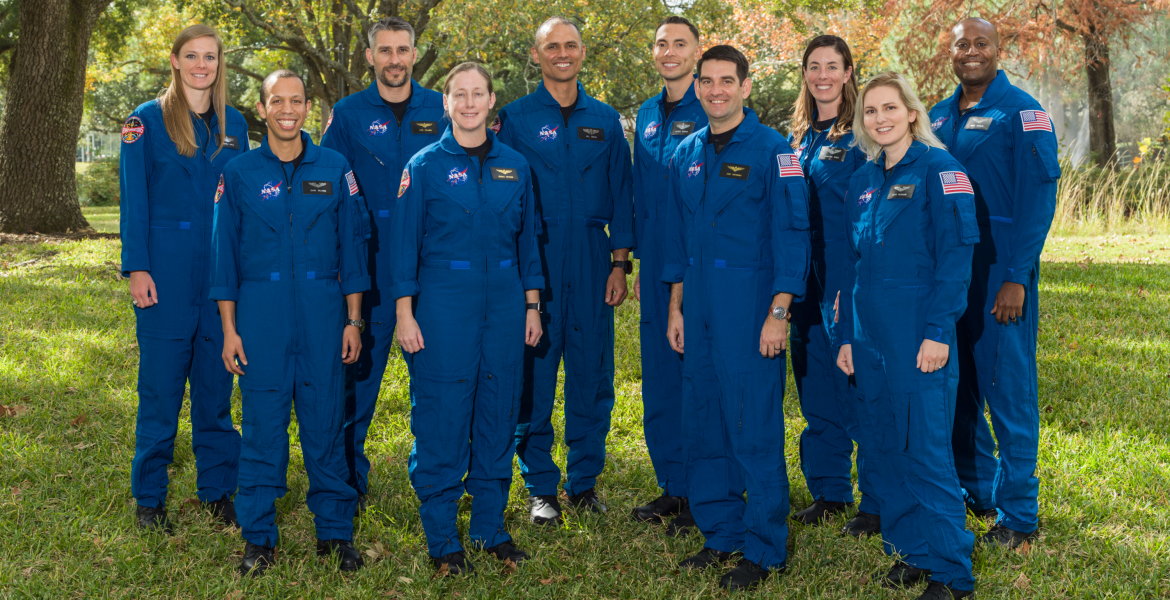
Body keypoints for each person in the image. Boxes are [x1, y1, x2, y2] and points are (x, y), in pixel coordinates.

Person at [662, 45, 810, 591]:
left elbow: (794, 239)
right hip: (698, 308)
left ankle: (765, 547)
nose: (716, 90)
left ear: (746, 87)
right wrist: (676, 306)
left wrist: (779, 313)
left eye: (728, 80)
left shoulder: (776, 152)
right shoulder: (688, 153)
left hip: (750, 308)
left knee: (752, 427)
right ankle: (719, 532)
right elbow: (679, 241)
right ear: (696, 86)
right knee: (703, 422)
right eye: (708, 81)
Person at [211, 70, 369, 576]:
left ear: (307, 109)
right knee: (262, 429)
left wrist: (353, 320)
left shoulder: (336, 166)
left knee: (325, 425)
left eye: (295, 101)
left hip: (324, 311)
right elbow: (224, 261)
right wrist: (231, 330)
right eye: (276, 101)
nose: (287, 109)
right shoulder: (237, 174)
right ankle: (258, 538)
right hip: (261, 313)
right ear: (261, 109)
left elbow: (354, 251)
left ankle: (334, 533)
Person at [392, 62, 545, 576]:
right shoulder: (424, 166)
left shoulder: (516, 167)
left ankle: (488, 528)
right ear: (447, 103)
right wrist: (404, 315)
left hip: (504, 304)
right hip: (442, 304)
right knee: (442, 418)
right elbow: (403, 248)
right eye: (461, 94)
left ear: (491, 101)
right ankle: (443, 539)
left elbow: (528, 246)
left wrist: (531, 306)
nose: (470, 102)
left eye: (478, 93)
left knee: (498, 413)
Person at [836, 71, 980, 600]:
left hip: (919, 333)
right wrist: (849, 337)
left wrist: (939, 331)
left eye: (890, 108)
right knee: (884, 444)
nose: (881, 118)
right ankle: (912, 550)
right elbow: (855, 266)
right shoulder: (862, 181)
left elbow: (956, 260)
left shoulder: (942, 171)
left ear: (912, 113)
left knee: (925, 450)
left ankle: (950, 571)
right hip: (870, 337)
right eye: (871, 112)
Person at [495, 16, 635, 524]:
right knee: (533, 373)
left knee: (592, 373)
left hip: (593, 258)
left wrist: (619, 263)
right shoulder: (513, 118)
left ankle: (584, 481)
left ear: (582, 52)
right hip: (536, 256)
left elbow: (623, 193)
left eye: (570, 45)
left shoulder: (605, 118)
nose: (562, 53)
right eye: (551, 46)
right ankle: (540, 487)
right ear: (536, 55)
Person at [928, 18, 1061, 549]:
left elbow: (1039, 201)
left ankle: (1020, 518)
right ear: (951, 53)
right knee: (958, 391)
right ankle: (979, 492)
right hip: (948, 275)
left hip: (1000, 273)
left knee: (1008, 395)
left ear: (997, 49)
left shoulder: (1024, 114)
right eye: (962, 45)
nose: (972, 53)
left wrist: (1016, 277)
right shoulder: (937, 115)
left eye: (981, 43)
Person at [120, 23, 247, 533]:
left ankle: (218, 490)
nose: (202, 65)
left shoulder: (233, 123)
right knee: (161, 391)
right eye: (192, 55)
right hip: (165, 274)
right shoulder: (145, 121)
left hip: (218, 277)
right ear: (174, 60)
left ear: (220, 64)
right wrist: (137, 267)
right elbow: (133, 199)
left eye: (210, 57)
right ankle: (149, 498)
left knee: (216, 393)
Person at [320, 16, 447, 512]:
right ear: (370, 56)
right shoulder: (348, 115)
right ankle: (348, 479)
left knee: (436, 384)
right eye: (385, 51)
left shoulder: (442, 109)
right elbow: (330, 187)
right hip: (367, 269)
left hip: (431, 270)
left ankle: (433, 478)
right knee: (357, 382)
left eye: (403, 50)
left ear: (415, 55)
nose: (394, 59)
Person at [784, 35, 879, 537]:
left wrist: (854, 282)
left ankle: (877, 499)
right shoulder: (797, 137)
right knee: (815, 385)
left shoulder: (864, 134)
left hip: (845, 277)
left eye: (832, 66)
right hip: (803, 281)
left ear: (848, 73)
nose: (822, 75)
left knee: (856, 388)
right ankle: (830, 489)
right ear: (805, 74)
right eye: (813, 66)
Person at [629, 15, 707, 536]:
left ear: (697, 53)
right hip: (655, 261)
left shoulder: (714, 108)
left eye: (681, 43)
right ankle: (674, 485)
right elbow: (639, 192)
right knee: (659, 377)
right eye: (662, 43)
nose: (670, 51)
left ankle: (709, 489)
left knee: (698, 376)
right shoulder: (646, 115)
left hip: (700, 264)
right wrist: (633, 261)